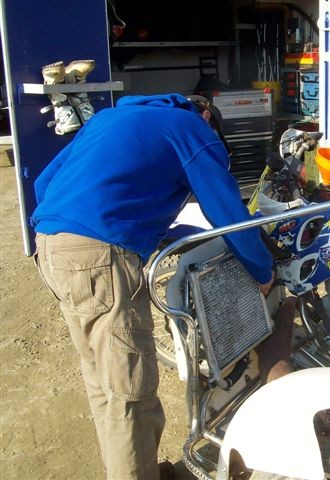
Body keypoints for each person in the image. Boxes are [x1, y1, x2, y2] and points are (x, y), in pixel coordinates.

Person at [31, 93, 274, 479]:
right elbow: (227, 213)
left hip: (50, 247)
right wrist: (262, 271)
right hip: (98, 258)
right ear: (207, 116)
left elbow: (45, 182)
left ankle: (134, 469)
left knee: (104, 382)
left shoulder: (110, 118)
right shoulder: (192, 128)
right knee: (131, 390)